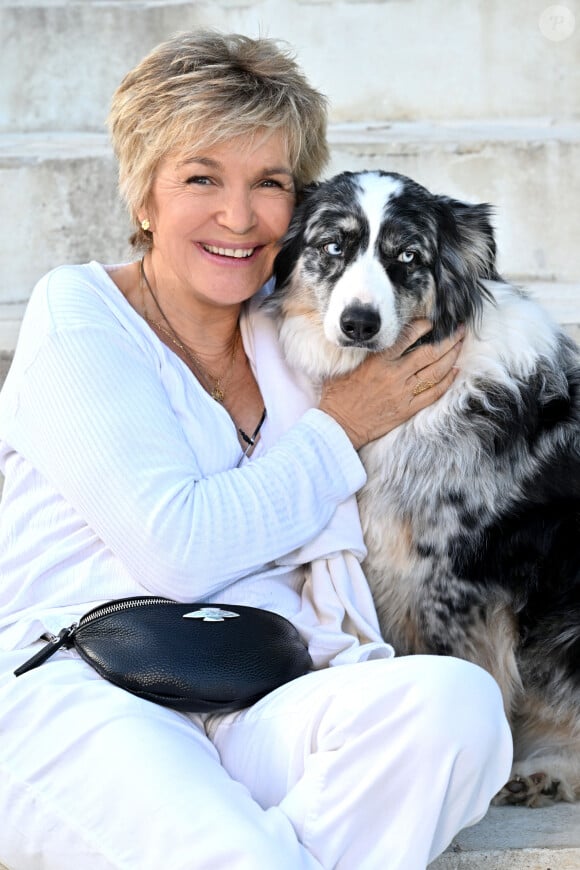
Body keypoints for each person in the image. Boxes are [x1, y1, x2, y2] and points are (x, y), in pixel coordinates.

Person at [0, 30, 512, 870]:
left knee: (456, 706)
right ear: (143, 193)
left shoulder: (296, 334)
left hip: (263, 692)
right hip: (88, 687)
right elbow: (178, 550)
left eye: (269, 183)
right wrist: (339, 429)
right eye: (202, 178)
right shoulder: (78, 316)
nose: (239, 218)